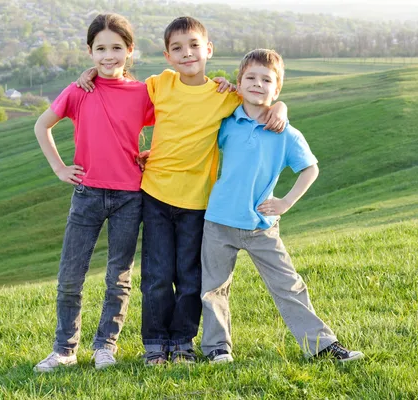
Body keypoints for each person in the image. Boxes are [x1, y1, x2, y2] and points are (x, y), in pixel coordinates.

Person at [78, 16, 288, 365]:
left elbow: (261, 98)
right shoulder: (160, 84)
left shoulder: (225, 95)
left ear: (208, 50)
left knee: (190, 277)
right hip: (156, 195)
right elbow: (120, 91)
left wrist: (280, 106)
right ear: (167, 56)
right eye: (177, 48)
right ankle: (156, 343)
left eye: (194, 45)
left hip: (197, 202)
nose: (187, 53)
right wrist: (89, 76)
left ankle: (182, 343)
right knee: (158, 276)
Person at [200, 49, 364, 364]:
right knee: (213, 288)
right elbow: (195, 142)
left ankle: (322, 346)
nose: (257, 84)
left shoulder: (285, 132)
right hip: (219, 221)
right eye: (250, 78)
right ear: (239, 82)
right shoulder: (226, 123)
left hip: (262, 226)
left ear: (277, 90)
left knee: (289, 285)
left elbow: (310, 169)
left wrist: (286, 202)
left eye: (267, 80)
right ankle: (217, 349)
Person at [32, 13, 154, 372]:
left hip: (130, 197)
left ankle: (105, 346)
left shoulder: (142, 93)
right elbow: (42, 126)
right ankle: (65, 350)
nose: (108, 56)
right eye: (100, 48)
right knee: (71, 276)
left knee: (118, 277)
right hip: (86, 194)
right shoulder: (78, 90)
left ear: (130, 51)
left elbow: (171, 119)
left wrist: (154, 153)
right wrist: (58, 167)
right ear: (89, 52)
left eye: (117, 48)